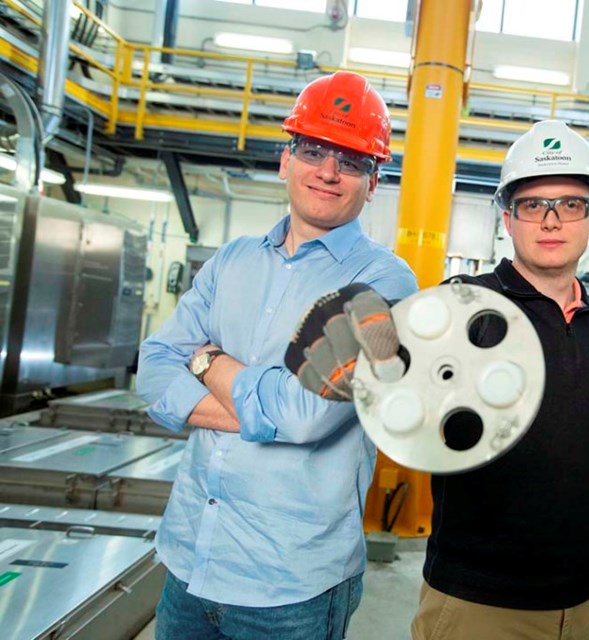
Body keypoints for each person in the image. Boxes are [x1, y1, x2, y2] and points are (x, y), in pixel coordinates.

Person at [289, 120, 589, 640]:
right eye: (533, 205)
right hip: (477, 605)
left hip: (583, 601)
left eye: (569, 205)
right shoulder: (463, 306)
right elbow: (401, 388)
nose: (551, 221)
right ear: (508, 217)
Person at [136, 70, 417, 640]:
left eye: (352, 159)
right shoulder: (232, 260)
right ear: (285, 158)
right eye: (314, 149)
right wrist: (268, 407)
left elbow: (307, 415)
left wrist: (206, 361)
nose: (329, 172)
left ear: (374, 178)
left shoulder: (383, 281)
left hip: (293, 587)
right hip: (190, 558)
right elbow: (153, 368)